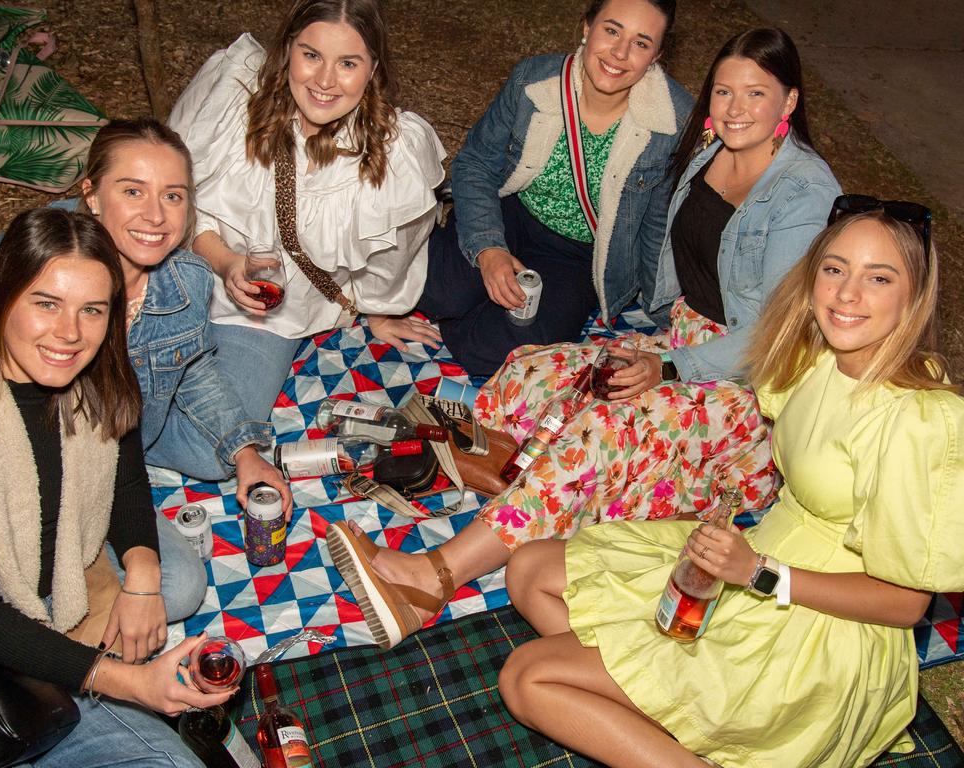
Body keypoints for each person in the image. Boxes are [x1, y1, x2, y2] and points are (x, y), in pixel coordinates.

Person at [325, 27, 839, 651]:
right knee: (533, 368)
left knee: (598, 432)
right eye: (723, 91)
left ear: (788, 103)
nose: (733, 108)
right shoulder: (708, 148)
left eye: (755, 94)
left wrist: (668, 368)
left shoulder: (805, 193)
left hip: (747, 390)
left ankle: (432, 578)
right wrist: (635, 332)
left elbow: (771, 338)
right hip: (681, 338)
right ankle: (505, 474)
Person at [498, 200, 964, 767]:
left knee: (529, 678)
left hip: (820, 630)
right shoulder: (818, 359)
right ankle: (670, 710)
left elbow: (907, 604)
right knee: (529, 570)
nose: (847, 294)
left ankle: (677, 720)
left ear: (913, 296)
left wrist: (760, 574)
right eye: (835, 268)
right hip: (755, 557)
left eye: (879, 278)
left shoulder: (918, 420)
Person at [0, 119, 297, 618]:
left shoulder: (185, 281)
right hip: (18, 463)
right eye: (133, 190)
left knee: (182, 570)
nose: (155, 215)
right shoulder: (24, 259)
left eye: (173, 196)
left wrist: (244, 450)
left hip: (120, 449)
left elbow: (191, 369)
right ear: (91, 193)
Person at [0, 208, 234, 767]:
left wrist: (143, 576)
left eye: (92, 310)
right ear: (1, 296)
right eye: (46, 303)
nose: (70, 333)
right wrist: (127, 682)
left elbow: (125, 481)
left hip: (61, 597)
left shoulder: (95, 382)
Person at [167, 0, 447, 425]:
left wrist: (379, 310)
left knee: (214, 444)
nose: (325, 81)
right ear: (288, 49)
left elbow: (395, 253)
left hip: (270, 316)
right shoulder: (233, 93)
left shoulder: (395, 152)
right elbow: (173, 195)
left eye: (348, 63)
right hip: (180, 262)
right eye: (311, 55)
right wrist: (225, 263)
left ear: (372, 69)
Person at [415, 0, 694, 378]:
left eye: (641, 43)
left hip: (580, 256)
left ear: (657, 55)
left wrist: (666, 318)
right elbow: (476, 163)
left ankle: (470, 316)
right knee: (434, 291)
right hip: (513, 212)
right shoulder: (534, 80)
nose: (620, 53)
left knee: (495, 354)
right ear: (586, 27)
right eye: (611, 30)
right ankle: (461, 295)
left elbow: (659, 223)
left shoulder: (675, 119)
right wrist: (488, 248)